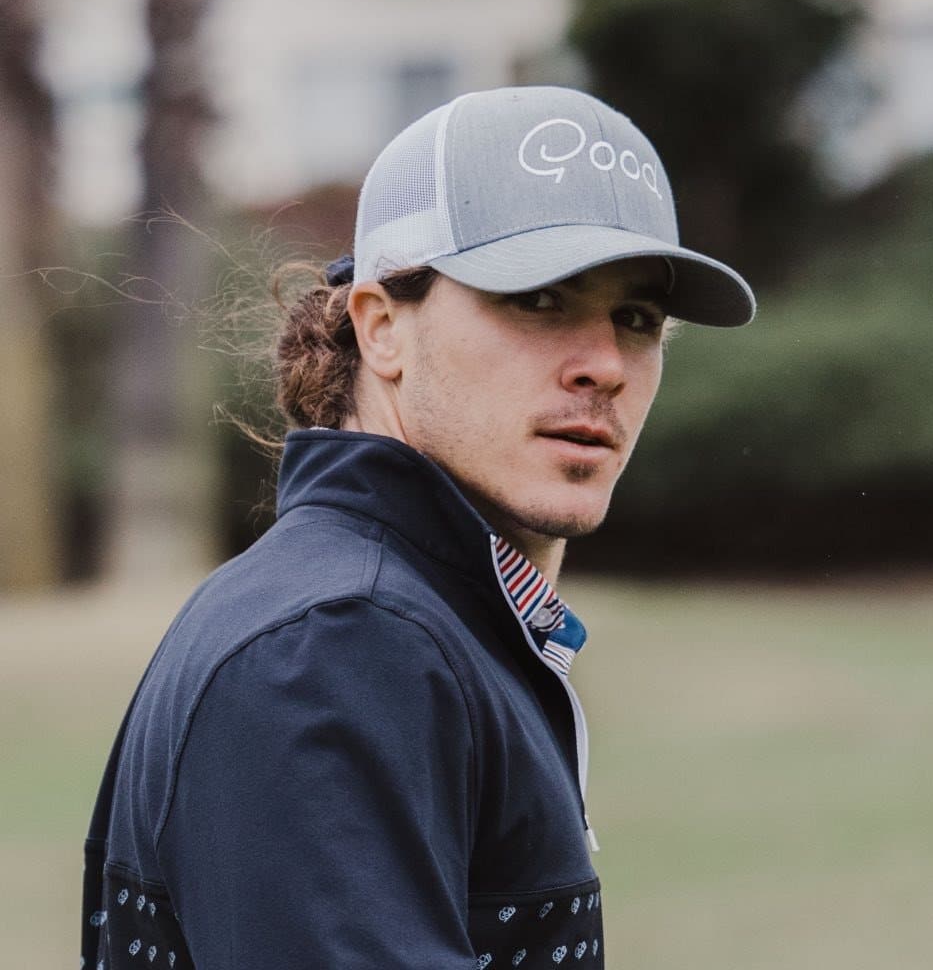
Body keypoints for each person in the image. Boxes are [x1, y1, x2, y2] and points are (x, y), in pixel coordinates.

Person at [81, 85, 755, 969]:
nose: (604, 365)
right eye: (541, 300)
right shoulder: (336, 648)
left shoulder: (419, 621)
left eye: (636, 319)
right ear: (383, 328)